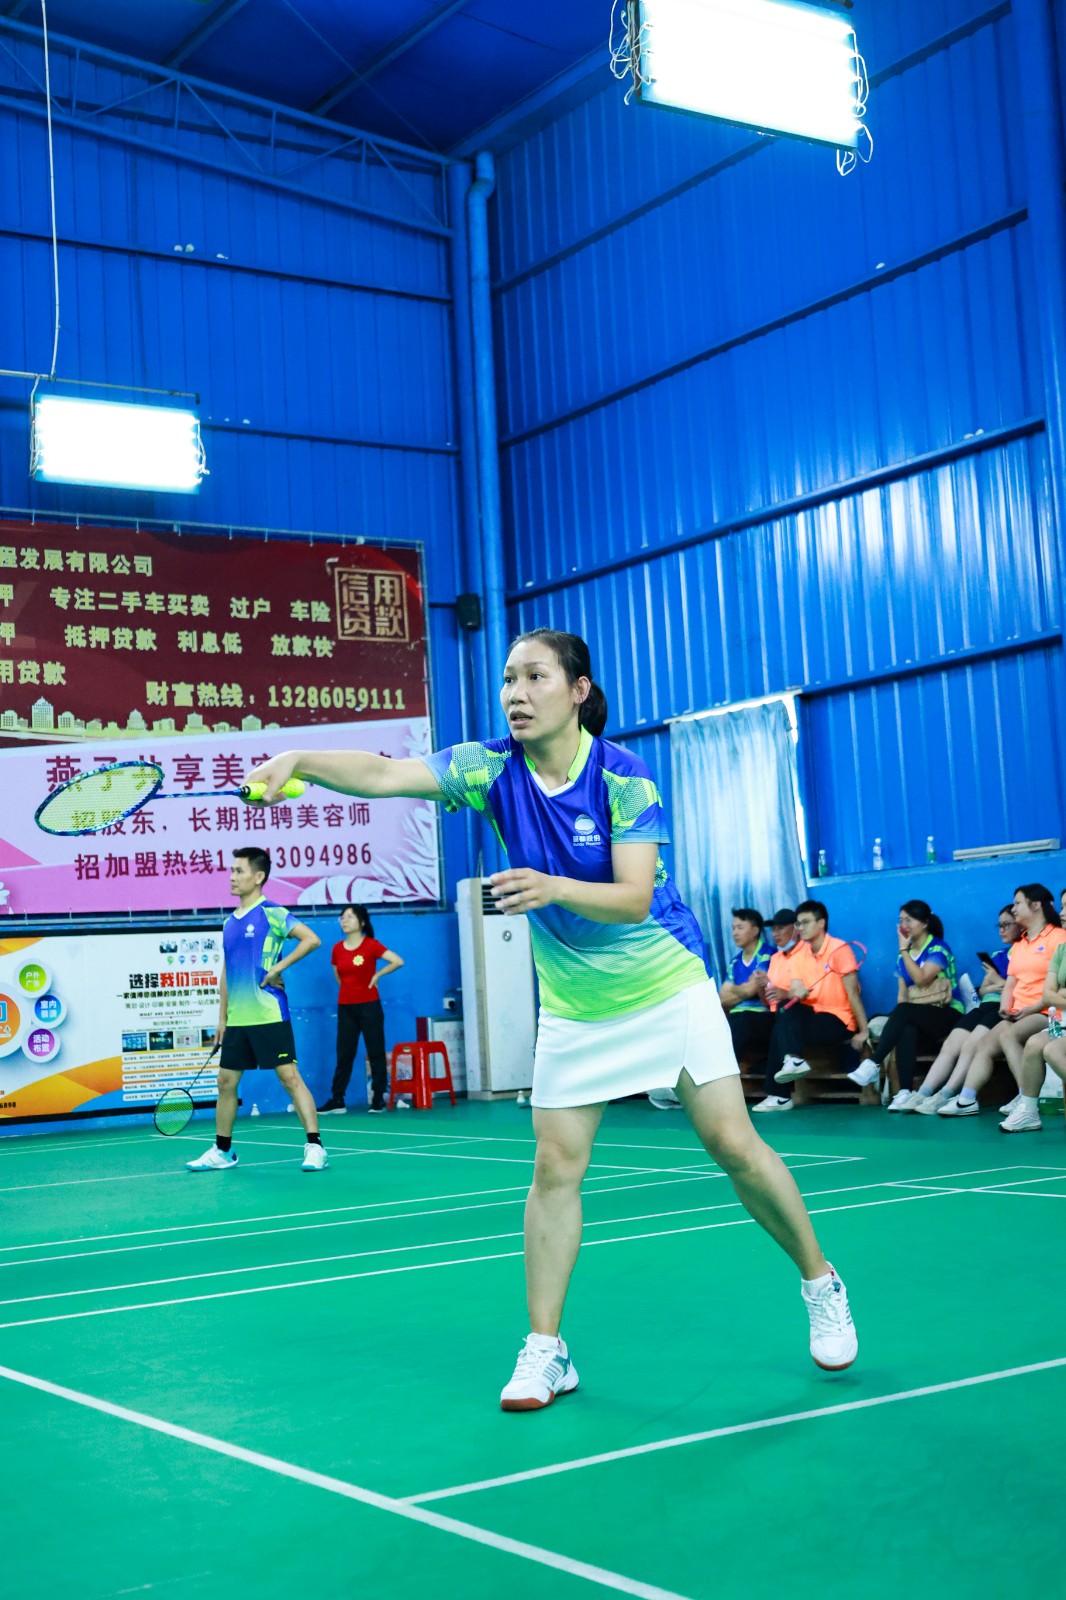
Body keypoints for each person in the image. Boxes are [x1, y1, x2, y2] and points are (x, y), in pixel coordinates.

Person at [244, 628, 859, 1410]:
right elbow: (385, 773)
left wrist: (552, 887)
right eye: (508, 679)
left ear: (577, 690)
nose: (516, 693)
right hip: (576, 1007)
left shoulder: (623, 775)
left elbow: (633, 896)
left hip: (667, 986)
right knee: (555, 1171)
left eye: (535, 676)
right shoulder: (489, 769)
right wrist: (299, 760)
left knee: (733, 1146)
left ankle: (820, 1281)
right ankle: (546, 1349)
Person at [186, 846, 327, 1172]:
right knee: (225, 1082)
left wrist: (277, 969)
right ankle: (223, 1151)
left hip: (269, 1014)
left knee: (289, 1077)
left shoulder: (272, 913)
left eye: (239, 871)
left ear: (259, 876)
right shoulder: (229, 923)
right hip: (238, 1019)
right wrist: (222, 1018)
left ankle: (315, 1146)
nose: (232, 877)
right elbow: (226, 971)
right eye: (232, 871)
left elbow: (311, 939)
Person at [938, 884, 1066, 1117]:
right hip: (1020, 1012)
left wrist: (1032, 1008)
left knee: (1008, 1035)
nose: (1013, 908)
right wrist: (1006, 1008)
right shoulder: (1020, 944)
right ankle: (967, 1099)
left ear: (1036, 905)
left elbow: (1057, 987)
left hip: (1046, 1011)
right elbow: (1011, 983)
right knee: (985, 1044)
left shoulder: (1058, 937)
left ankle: (1026, 1098)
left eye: (1018, 903)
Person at [845, 901, 963, 1112]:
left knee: (903, 1012)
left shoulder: (938, 948)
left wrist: (903, 949)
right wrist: (904, 952)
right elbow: (902, 997)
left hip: (947, 1012)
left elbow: (921, 979)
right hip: (918, 1014)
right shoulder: (902, 956)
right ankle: (904, 1092)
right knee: (905, 1028)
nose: (904, 925)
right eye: (901, 920)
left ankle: (873, 1063)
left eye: (909, 920)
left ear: (924, 923)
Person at [656, 907, 775, 1112]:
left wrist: (736, 991)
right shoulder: (735, 961)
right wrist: (743, 991)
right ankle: (682, 1086)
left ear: (755, 930)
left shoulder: (766, 954)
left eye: (740, 927)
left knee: (736, 1026)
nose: (734, 932)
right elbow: (723, 998)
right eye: (733, 928)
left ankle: (703, 1092)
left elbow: (752, 989)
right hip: (737, 1018)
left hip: (760, 1018)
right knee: (709, 1027)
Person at [909, 906, 1022, 1114]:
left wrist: (999, 983)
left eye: (1007, 925)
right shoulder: (998, 955)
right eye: (999, 925)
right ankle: (923, 1093)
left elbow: (1022, 989)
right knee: (951, 1044)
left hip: (1003, 1008)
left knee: (971, 1044)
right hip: (984, 1005)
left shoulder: (1025, 954)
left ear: (1020, 925)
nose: (1001, 930)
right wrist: (1000, 983)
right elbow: (984, 989)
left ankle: (946, 1094)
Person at [761, 901, 869, 1104]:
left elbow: (853, 994)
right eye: (798, 924)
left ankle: (780, 1096)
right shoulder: (800, 954)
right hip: (812, 1014)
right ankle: (793, 1062)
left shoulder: (839, 949)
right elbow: (794, 987)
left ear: (821, 923)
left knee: (780, 1030)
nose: (800, 928)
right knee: (783, 1010)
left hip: (838, 1019)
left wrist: (863, 1031)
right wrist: (797, 992)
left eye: (805, 922)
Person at [318, 904, 404, 1115]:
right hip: (346, 1007)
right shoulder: (337, 949)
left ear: (362, 922)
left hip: (369, 1006)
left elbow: (397, 961)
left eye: (350, 917)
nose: (344, 921)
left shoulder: (371, 945)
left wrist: (377, 975)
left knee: (375, 1052)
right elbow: (338, 977)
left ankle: (378, 1098)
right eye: (342, 917)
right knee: (344, 1054)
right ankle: (338, 1099)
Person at [1000, 937, 1066, 1132]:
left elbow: (1056, 993)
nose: (1063, 920)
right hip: (1063, 1020)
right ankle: (1029, 1111)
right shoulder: (1061, 950)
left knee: (1053, 1050)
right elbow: (1048, 995)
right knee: (1034, 1043)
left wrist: (1061, 992)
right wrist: (1060, 993)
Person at [750, 909, 804, 1113]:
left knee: (782, 1018)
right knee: (743, 1020)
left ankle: (780, 1095)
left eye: (781, 928)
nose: (775, 934)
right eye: (773, 929)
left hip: (799, 1013)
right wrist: (762, 986)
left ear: (795, 929)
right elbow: (767, 1002)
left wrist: (784, 993)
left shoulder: (805, 954)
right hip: (776, 1013)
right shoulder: (776, 959)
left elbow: (804, 993)